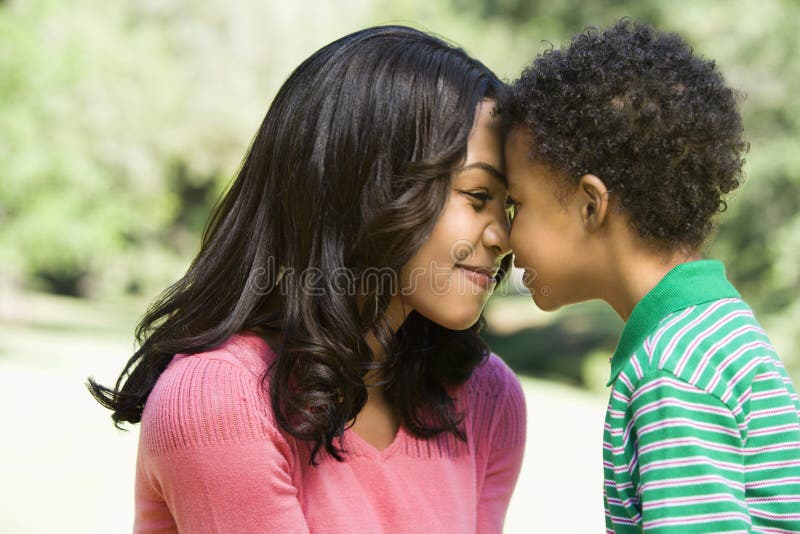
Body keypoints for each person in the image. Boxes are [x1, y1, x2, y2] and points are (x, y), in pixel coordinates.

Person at [88, 25, 526, 533]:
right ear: (369, 185)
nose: (505, 237)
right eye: (477, 197)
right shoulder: (221, 401)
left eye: (509, 205)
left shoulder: (487, 399)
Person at [498, 19, 800, 533]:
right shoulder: (713, 328)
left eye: (515, 205)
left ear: (590, 205)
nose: (505, 237)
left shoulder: (672, 371)